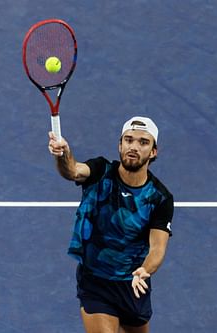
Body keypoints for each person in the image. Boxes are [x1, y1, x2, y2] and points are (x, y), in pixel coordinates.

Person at [48, 116, 174, 333]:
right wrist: (63, 155)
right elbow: (73, 171)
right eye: (128, 140)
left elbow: (157, 247)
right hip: (95, 280)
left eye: (143, 142)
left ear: (153, 152)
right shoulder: (100, 172)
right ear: (120, 145)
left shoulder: (160, 198)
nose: (133, 147)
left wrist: (145, 270)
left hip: (133, 283)